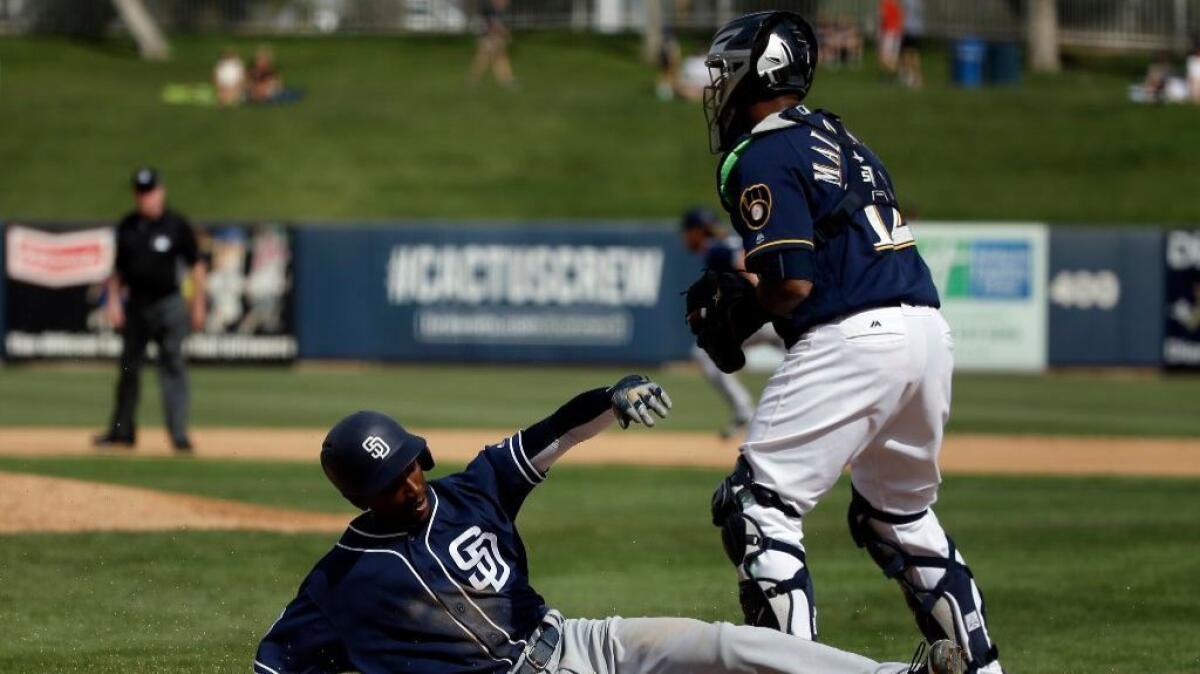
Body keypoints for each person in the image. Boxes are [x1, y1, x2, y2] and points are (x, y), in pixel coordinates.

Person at [254, 374, 968, 674]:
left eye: (410, 465)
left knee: (725, 646)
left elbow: (549, 435)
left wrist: (610, 399)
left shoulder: (470, 492)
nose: (409, 483)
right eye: (389, 481)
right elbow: (274, 662)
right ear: (361, 496)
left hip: (578, 641)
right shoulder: (340, 582)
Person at [695, 12, 1004, 673]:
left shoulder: (766, 151)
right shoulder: (837, 135)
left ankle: (797, 667)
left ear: (762, 70)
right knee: (899, 515)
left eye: (726, 71)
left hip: (856, 334)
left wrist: (739, 313)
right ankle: (982, 668)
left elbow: (792, 282)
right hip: (925, 330)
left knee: (758, 506)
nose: (717, 86)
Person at [94, 168, 206, 453]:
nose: (146, 197)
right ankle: (122, 432)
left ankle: (179, 434)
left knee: (173, 368)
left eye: (150, 191)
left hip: (168, 305)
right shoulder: (128, 226)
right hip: (137, 307)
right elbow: (117, 271)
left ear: (161, 191)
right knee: (129, 369)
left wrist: (198, 305)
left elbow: (197, 265)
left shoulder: (176, 225)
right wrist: (114, 302)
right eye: (141, 192)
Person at [680, 207, 758, 437]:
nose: (684, 237)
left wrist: (762, 295)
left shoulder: (716, 249)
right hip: (769, 314)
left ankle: (745, 410)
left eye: (686, 231)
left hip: (761, 315)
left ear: (697, 231)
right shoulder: (729, 240)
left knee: (703, 353)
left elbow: (742, 265)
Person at [469, 0, 515, 88]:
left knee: (495, 57)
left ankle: (506, 79)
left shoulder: (494, 10)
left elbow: (495, 24)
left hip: (490, 36)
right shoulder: (491, 9)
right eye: (505, 1)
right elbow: (493, 25)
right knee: (489, 58)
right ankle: (506, 79)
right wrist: (505, 34)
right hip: (488, 36)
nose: (507, 3)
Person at [899, 0, 924, 88]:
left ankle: (910, 77)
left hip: (908, 27)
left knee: (905, 53)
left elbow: (902, 12)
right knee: (914, 53)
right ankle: (918, 77)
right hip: (917, 28)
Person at [878, 0, 902, 77]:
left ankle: (895, 72)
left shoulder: (885, 3)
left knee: (884, 56)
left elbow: (883, 17)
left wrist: (880, 30)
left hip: (889, 32)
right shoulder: (896, 3)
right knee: (894, 55)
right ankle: (892, 74)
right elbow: (900, 17)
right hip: (897, 31)